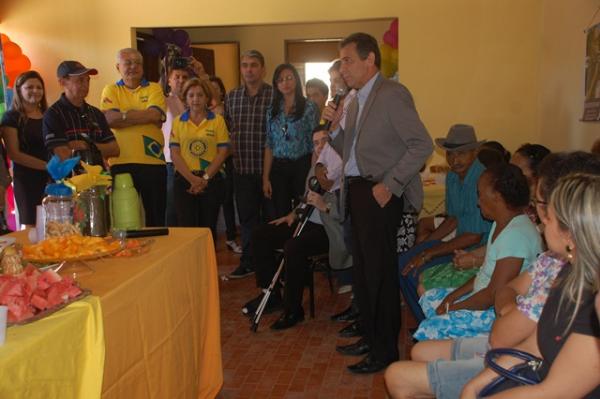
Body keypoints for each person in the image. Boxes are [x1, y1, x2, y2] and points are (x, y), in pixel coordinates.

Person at [323, 32, 433, 374]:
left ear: (370, 60)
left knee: (381, 275)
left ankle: (385, 352)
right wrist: (335, 127)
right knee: (364, 274)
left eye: (348, 60)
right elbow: (349, 151)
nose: (343, 69)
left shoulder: (392, 94)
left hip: (379, 194)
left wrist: (391, 184)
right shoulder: (355, 100)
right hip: (356, 192)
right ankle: (370, 338)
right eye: (341, 62)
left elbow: (422, 145)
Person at [462, 173, 600, 398]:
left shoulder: (590, 301)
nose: (541, 221)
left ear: (570, 235)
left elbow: (551, 392)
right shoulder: (567, 272)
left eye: (549, 218)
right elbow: (532, 345)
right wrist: (475, 385)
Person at [414, 164, 542, 341]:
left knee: (428, 328)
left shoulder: (516, 236)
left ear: (497, 197)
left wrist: (453, 308)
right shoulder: (501, 222)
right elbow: (485, 272)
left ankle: (451, 354)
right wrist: (453, 297)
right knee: (430, 298)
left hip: (494, 313)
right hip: (482, 295)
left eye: (480, 195)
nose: (477, 201)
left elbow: (492, 295)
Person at [400, 125, 492, 322]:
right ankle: (424, 321)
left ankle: (430, 323)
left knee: (414, 270)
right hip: (460, 243)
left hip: (478, 251)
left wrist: (428, 253)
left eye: (462, 154)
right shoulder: (452, 176)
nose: (454, 160)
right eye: (450, 154)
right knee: (404, 262)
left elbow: (475, 236)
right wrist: (424, 247)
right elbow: (453, 219)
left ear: (475, 152)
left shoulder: (481, 179)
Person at [101, 48, 167, 227]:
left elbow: (154, 115)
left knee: (156, 220)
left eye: (137, 63)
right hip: (120, 162)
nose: (133, 67)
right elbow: (109, 119)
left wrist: (123, 116)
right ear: (118, 67)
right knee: (124, 219)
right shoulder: (110, 90)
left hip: (153, 162)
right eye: (127, 63)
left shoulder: (154, 88)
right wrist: (142, 115)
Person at [224, 50, 273, 278]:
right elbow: (225, 133)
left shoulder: (274, 96)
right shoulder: (231, 97)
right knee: (246, 220)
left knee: (271, 220)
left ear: (263, 69)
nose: (249, 70)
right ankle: (248, 262)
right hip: (242, 169)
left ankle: (272, 263)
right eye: (244, 65)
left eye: (253, 65)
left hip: (270, 172)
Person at [169, 78, 229, 240]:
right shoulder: (177, 122)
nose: (196, 99)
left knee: (208, 229)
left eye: (200, 95)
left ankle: (207, 265)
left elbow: (222, 153)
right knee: (186, 230)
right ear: (186, 99)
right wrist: (192, 180)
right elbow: (175, 153)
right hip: (184, 181)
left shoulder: (217, 121)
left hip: (211, 180)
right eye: (191, 95)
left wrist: (204, 179)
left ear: (207, 98)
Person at [263, 63, 320, 218]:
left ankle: (298, 241)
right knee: (280, 212)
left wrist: (315, 171)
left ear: (296, 80)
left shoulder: (310, 107)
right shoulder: (272, 110)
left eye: (289, 78)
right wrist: (265, 178)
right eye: (281, 80)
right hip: (279, 168)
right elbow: (269, 144)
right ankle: (283, 241)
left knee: (302, 210)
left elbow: (317, 141)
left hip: (303, 165)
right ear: (276, 84)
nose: (285, 83)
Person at [43, 61, 119, 166]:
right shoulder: (53, 114)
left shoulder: (96, 113)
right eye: (80, 80)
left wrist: (85, 146)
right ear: (62, 82)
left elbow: (115, 150)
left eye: (88, 80)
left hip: (99, 179)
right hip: (68, 181)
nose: (86, 85)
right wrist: (99, 149)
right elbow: (61, 154)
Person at [0, 71, 48, 226]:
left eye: (39, 87)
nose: (35, 90)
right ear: (19, 90)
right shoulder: (11, 117)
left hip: (52, 178)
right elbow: (14, 154)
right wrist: (47, 166)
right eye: (30, 87)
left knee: (55, 225)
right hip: (28, 180)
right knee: (31, 226)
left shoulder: (49, 115)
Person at [210, 75, 241, 253]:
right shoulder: (202, 110)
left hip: (228, 158)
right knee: (213, 202)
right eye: (210, 88)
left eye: (217, 88)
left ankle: (231, 237)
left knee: (228, 198)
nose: (214, 91)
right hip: (209, 161)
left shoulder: (227, 108)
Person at [161, 64, 189, 227]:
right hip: (170, 161)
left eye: (184, 77)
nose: (180, 80)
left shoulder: (193, 100)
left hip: (192, 161)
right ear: (169, 80)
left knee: (187, 207)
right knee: (171, 207)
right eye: (176, 77)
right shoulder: (163, 100)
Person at [509, 143, 550, 224]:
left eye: (517, 171)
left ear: (538, 174)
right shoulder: (516, 202)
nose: (510, 175)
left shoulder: (550, 209)